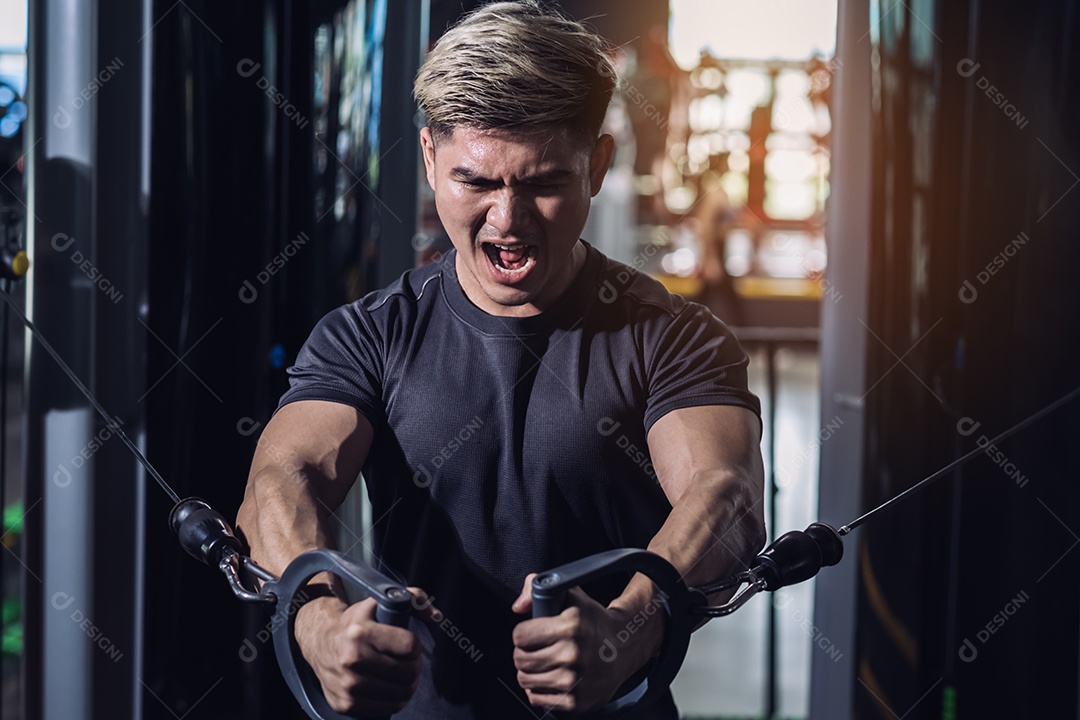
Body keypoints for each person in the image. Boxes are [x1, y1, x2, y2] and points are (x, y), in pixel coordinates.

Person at [235, 2, 765, 718]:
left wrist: (629, 629)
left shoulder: (672, 337)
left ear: (598, 165)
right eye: (476, 182)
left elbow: (724, 496)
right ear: (429, 159)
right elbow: (281, 478)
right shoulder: (370, 334)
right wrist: (317, 620)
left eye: (543, 183)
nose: (507, 221)